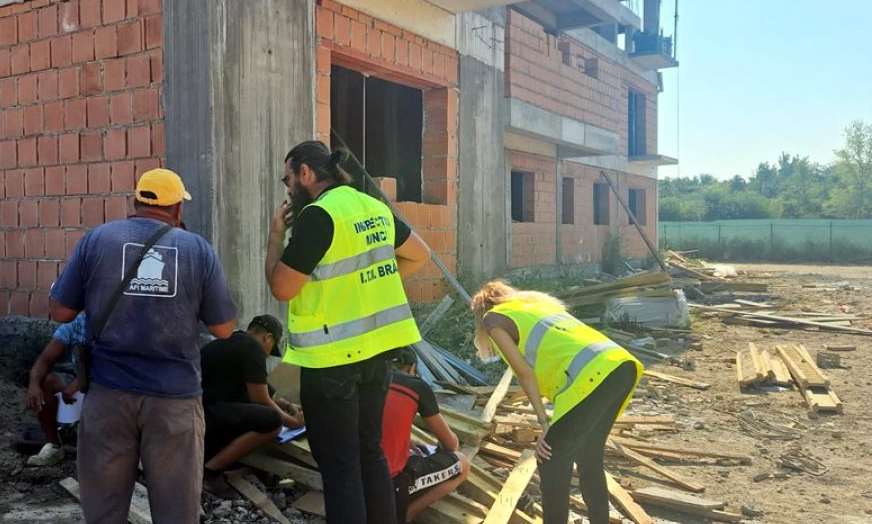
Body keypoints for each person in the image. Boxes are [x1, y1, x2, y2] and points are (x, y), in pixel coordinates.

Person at [49, 168, 238, 524]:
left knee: (104, 511)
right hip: (174, 400)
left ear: (135, 202)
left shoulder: (97, 239)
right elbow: (224, 328)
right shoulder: (197, 249)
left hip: (108, 395)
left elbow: (61, 312)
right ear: (178, 208)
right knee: (177, 512)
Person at [265, 141, 430, 524]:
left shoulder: (318, 215)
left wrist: (275, 236)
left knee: (340, 466)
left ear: (305, 173)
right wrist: (367, 289)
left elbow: (282, 287)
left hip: (332, 361)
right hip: (377, 356)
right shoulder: (373, 207)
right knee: (369, 452)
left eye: (287, 180)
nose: (288, 189)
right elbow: (418, 255)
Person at [470, 281, 643, 524]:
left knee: (550, 458)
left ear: (481, 311)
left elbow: (524, 374)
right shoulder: (535, 305)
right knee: (589, 455)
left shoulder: (493, 320)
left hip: (593, 377)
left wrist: (544, 424)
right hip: (621, 366)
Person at [200, 315, 305, 488]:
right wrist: (293, 422)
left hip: (203, 412)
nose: (268, 355)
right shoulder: (252, 348)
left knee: (268, 410)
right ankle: (211, 470)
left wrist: (287, 405)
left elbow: (264, 392)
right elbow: (260, 400)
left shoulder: (233, 342)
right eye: (271, 349)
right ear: (267, 337)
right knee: (273, 421)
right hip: (208, 416)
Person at [381, 348, 470, 523]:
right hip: (388, 480)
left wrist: (406, 442)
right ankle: (404, 516)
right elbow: (451, 444)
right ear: (412, 368)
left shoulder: (366, 381)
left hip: (352, 473)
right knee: (462, 463)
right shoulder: (417, 386)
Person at [24, 312, 87, 467]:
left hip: (108, 381)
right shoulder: (76, 325)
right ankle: (54, 446)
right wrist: (33, 384)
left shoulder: (115, 324)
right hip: (80, 378)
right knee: (48, 381)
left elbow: (108, 364)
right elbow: (45, 360)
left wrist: (78, 383)